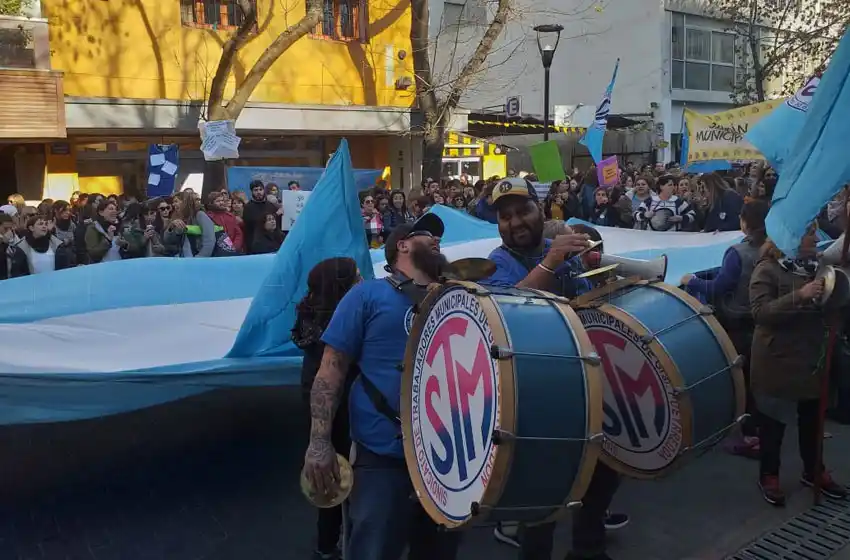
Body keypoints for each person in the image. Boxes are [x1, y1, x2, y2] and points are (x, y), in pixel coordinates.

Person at [482, 177, 627, 560]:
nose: (515, 222)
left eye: (522, 211)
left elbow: (589, 296)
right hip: (535, 393)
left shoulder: (562, 248)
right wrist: (552, 262)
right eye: (505, 216)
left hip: (584, 380)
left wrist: (608, 278)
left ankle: (588, 550)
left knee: (603, 473)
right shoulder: (495, 262)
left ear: (540, 210)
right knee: (541, 498)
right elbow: (507, 309)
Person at [302, 213, 461, 560]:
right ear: (402, 245)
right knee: (374, 549)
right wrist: (319, 443)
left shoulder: (457, 298)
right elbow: (330, 371)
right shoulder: (367, 295)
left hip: (448, 459)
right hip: (383, 456)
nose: (436, 241)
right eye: (425, 234)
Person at [749, 224, 848, 506]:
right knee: (773, 424)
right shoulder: (767, 270)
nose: (816, 238)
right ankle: (769, 475)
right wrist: (800, 295)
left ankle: (814, 471)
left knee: (812, 422)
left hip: (812, 358)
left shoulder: (818, 268)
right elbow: (760, 313)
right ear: (791, 237)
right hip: (777, 359)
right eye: (809, 233)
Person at [682, 200, 770, 458]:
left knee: (740, 381)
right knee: (758, 379)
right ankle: (760, 431)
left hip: (737, 324)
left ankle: (746, 436)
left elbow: (719, 288)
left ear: (744, 222)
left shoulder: (737, 253)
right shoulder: (774, 249)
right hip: (762, 323)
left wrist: (692, 281)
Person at [292, 257, 362, 560]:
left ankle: (327, 546)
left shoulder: (313, 323)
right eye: (356, 278)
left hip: (334, 416)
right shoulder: (337, 333)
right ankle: (334, 546)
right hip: (342, 417)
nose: (362, 282)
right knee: (339, 479)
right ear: (340, 288)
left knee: (331, 484)